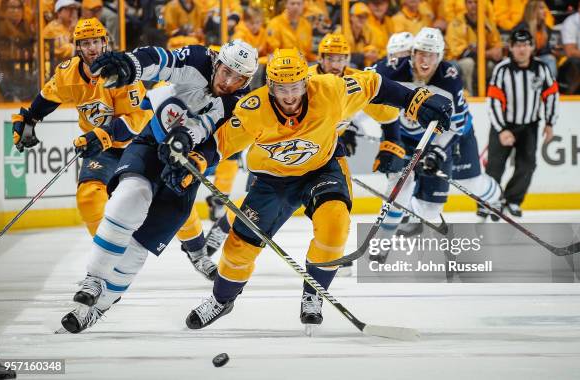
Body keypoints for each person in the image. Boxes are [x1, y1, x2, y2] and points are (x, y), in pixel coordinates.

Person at [177, 48, 452, 334]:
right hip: (273, 180)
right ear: (270, 85)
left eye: (295, 86)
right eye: (282, 88)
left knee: (335, 225)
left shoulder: (331, 90)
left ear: (306, 82)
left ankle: (314, 293)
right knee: (238, 248)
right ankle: (221, 300)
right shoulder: (252, 108)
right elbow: (221, 144)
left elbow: (374, 84)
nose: (290, 96)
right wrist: (196, 159)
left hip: (323, 168)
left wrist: (414, 99)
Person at [58, 39, 259, 334]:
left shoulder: (242, 103)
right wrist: (132, 64)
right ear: (217, 62)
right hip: (152, 145)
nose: (228, 82)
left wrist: (189, 149)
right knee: (129, 198)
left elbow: (216, 140)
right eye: (226, 71)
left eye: (238, 78)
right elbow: (161, 59)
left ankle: (97, 309)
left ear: (247, 80)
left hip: (187, 167)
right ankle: (94, 278)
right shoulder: (198, 59)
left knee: (141, 245)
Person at [12, 18, 152, 236]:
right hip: (101, 149)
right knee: (88, 198)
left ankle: (196, 248)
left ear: (105, 42)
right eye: (86, 43)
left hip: (136, 145)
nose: (92, 48)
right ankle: (107, 251)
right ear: (77, 46)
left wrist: (103, 134)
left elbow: (137, 118)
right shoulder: (68, 72)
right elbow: (49, 96)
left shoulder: (122, 72)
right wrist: (30, 119)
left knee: (164, 201)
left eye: (96, 42)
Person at [369, 27, 502, 244]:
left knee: (471, 183)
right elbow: (362, 85)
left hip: (454, 134)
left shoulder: (449, 78)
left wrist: (438, 151)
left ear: (439, 56)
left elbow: (455, 125)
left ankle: (496, 199)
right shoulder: (393, 70)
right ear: (412, 54)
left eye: (430, 54)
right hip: (412, 137)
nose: (424, 59)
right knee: (403, 183)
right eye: (421, 52)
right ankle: (403, 219)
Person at [308, 33, 400, 276]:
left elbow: (387, 115)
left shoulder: (355, 81)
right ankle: (222, 231)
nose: (336, 64)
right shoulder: (306, 79)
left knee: (338, 205)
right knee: (262, 209)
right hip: (294, 152)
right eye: (331, 58)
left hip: (328, 154)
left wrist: (391, 143)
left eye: (341, 58)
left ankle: (332, 252)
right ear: (321, 58)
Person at [486, 29, 559, 217]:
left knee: (527, 165)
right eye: (518, 45)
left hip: (529, 126)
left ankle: (512, 200)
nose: (522, 49)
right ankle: (490, 201)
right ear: (510, 47)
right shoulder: (502, 70)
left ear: (532, 47)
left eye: (526, 44)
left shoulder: (542, 69)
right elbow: (493, 101)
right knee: (495, 166)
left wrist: (550, 123)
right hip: (503, 125)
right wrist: (502, 129)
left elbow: (551, 95)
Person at [445, 0, 503, 95]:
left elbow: (496, 45)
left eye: (476, 2)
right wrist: (487, 53)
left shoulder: (487, 22)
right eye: (470, 2)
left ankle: (491, 95)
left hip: (481, 61)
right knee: (468, 63)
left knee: (493, 66)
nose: (473, 5)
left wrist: (497, 51)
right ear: (465, 4)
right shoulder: (457, 23)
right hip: (458, 63)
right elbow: (461, 52)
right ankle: (469, 96)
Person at [515, 0, 559, 78]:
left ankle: (549, 87)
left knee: (550, 59)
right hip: (523, 60)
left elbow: (545, 51)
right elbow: (518, 52)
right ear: (533, 11)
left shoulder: (545, 29)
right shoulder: (522, 28)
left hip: (538, 58)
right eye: (541, 8)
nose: (545, 11)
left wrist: (552, 50)